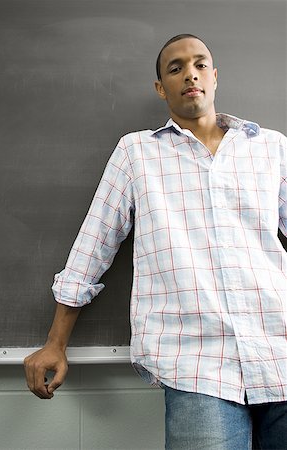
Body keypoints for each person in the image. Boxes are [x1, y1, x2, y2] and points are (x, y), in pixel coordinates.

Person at [24, 34, 287, 449]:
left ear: (215, 77)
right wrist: (55, 343)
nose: (190, 74)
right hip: (197, 365)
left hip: (280, 350)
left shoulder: (271, 148)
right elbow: (92, 247)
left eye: (200, 64)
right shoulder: (137, 154)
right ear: (161, 88)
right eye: (176, 68)